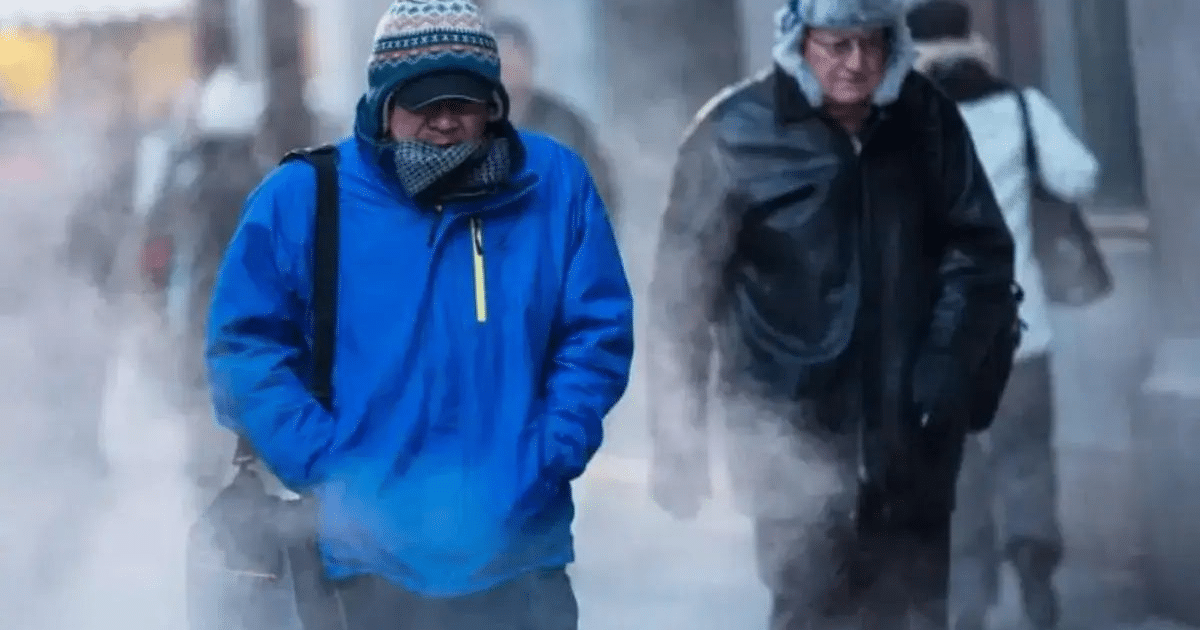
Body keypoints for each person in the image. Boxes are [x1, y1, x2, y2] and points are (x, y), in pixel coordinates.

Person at [204, 1, 634, 629]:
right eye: (423, 103)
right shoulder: (304, 197)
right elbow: (244, 348)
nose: (444, 123)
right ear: (382, 100)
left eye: (463, 102)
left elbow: (595, 332)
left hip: (518, 553)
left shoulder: (554, 183)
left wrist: (549, 450)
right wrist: (328, 465)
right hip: (363, 560)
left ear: (495, 102)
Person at [646, 1, 1017, 629]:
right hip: (789, 432)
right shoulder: (733, 130)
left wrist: (944, 363)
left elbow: (979, 249)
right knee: (812, 613)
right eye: (836, 44)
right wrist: (678, 443)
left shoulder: (925, 116)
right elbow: (681, 298)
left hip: (915, 428)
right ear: (797, 40)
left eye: (874, 43)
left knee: (915, 614)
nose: (857, 63)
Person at [907, 2, 1102, 629]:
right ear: (974, 40)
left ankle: (968, 606)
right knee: (1026, 459)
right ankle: (1035, 574)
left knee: (957, 475)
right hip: (1022, 331)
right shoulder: (1021, 108)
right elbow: (1080, 174)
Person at [492, 17, 621, 223]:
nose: (511, 72)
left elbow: (600, 191)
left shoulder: (564, 123)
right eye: (502, 63)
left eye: (517, 60)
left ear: (530, 63)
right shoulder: (466, 125)